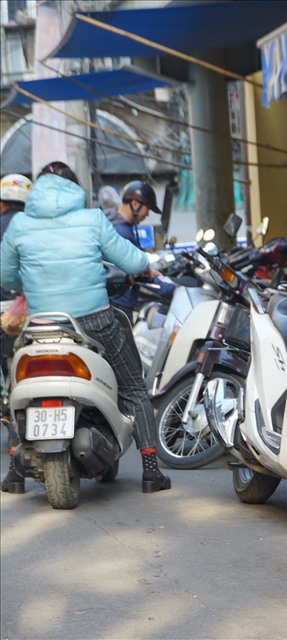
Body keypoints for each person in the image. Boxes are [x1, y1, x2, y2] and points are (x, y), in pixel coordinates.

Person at [0, 161, 171, 494]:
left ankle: (14, 474)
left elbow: (5, 276)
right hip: (95, 321)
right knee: (133, 386)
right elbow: (135, 262)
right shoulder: (93, 219)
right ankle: (151, 470)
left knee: (14, 391)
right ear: (74, 188)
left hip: (40, 324)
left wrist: (34, 277)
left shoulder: (20, 224)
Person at [1, 173, 33, 492]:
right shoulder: (29, 228)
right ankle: (16, 470)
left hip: (8, 312)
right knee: (17, 385)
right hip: (22, 313)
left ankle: (16, 469)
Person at [102, 180, 171, 319]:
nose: (147, 214)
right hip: (119, 302)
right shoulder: (121, 231)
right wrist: (169, 289)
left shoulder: (118, 226)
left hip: (117, 300)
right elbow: (134, 269)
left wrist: (149, 271)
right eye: (148, 208)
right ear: (135, 204)